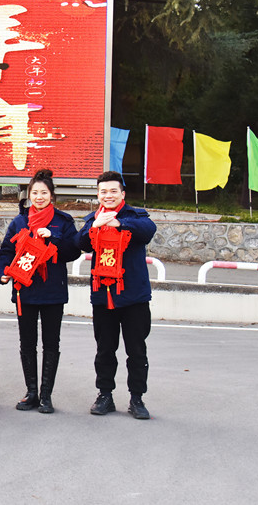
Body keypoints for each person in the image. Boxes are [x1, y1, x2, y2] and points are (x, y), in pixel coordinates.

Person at [0, 169, 81, 413]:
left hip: (53, 291)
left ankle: (46, 395)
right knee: (27, 342)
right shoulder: (19, 222)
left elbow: (74, 251)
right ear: (29, 195)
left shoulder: (63, 221)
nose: (39, 197)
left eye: (44, 193)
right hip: (25, 291)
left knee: (51, 343)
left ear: (52, 195)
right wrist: (2, 273)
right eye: (35, 193)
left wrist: (53, 237)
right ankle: (31, 392)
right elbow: (6, 252)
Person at [77, 171, 157, 420]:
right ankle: (105, 395)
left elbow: (148, 231)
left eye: (113, 191)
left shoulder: (136, 216)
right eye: (103, 192)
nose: (108, 195)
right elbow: (79, 243)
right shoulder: (93, 219)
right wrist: (96, 226)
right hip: (104, 297)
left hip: (134, 297)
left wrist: (119, 223)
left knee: (136, 350)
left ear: (122, 193)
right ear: (98, 195)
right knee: (104, 350)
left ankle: (137, 398)